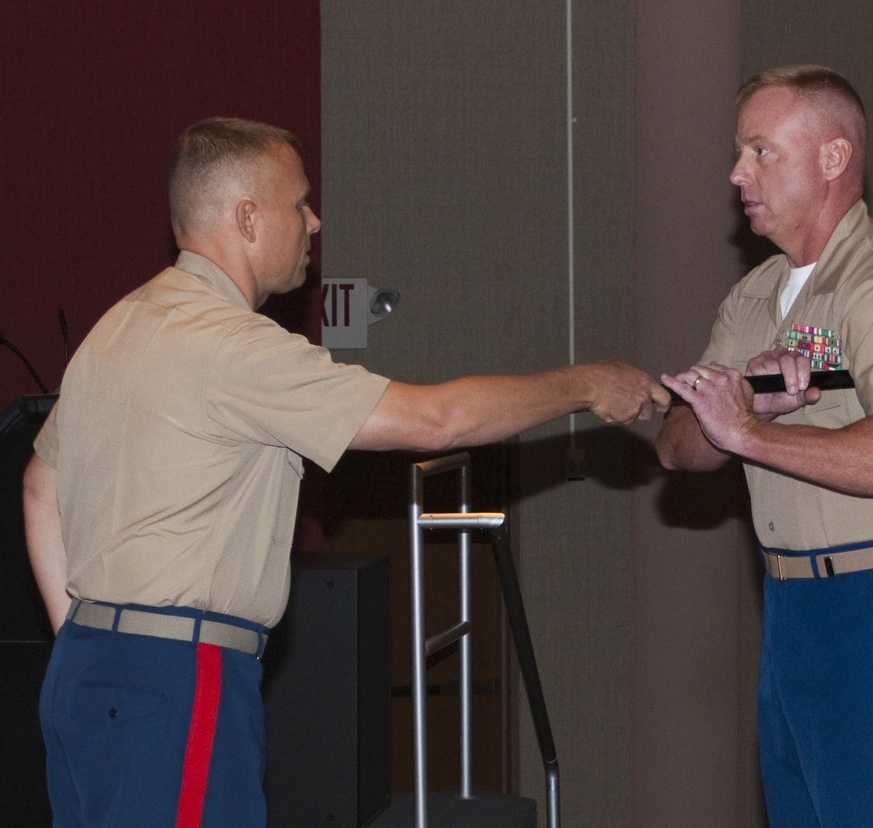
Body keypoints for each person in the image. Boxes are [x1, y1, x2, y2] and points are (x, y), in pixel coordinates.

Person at [22, 116, 671, 828]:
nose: (314, 219)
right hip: (177, 680)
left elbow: (40, 484)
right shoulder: (231, 346)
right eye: (298, 202)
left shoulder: (118, 326)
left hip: (86, 672)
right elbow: (436, 422)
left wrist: (88, 634)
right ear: (246, 217)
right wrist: (583, 385)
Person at [656, 65, 873, 827]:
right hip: (791, 604)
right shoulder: (757, 294)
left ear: (833, 159)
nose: (737, 172)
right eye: (740, 152)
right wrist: (748, 408)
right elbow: (675, 443)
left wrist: (751, 432)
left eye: (760, 151)